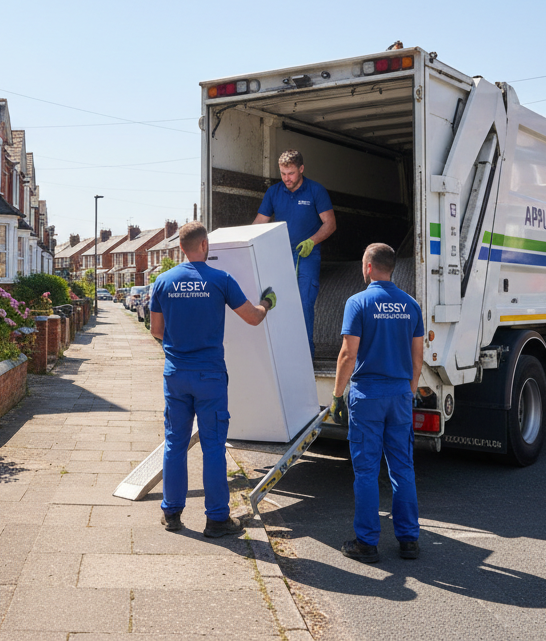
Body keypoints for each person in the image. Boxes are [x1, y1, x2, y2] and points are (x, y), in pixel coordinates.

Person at [150, 222, 277, 537]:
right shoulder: (221, 280)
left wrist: (179, 348)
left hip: (176, 374)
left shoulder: (162, 282)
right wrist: (267, 303)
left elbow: (155, 330)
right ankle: (217, 519)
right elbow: (253, 318)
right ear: (205, 245)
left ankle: (172, 514)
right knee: (213, 447)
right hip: (210, 377)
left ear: (181, 247)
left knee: (175, 444)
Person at [332, 243, 423, 563]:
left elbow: (348, 354)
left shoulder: (357, 303)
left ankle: (367, 543)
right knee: (402, 468)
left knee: (367, 471)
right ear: (391, 268)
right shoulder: (411, 305)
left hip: (367, 396)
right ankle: (409, 540)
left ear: (368, 267)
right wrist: (408, 392)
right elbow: (417, 360)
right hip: (399, 396)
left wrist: (337, 395)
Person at [253, 149, 335, 355]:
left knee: (304, 302)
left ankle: (305, 355)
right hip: (280, 255)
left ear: (301, 169)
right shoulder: (273, 192)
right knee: (277, 302)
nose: (286, 178)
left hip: (307, 255)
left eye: (290, 173)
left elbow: (330, 224)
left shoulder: (315, 191)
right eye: (282, 173)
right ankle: (282, 354)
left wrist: (311, 241)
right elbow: (258, 224)